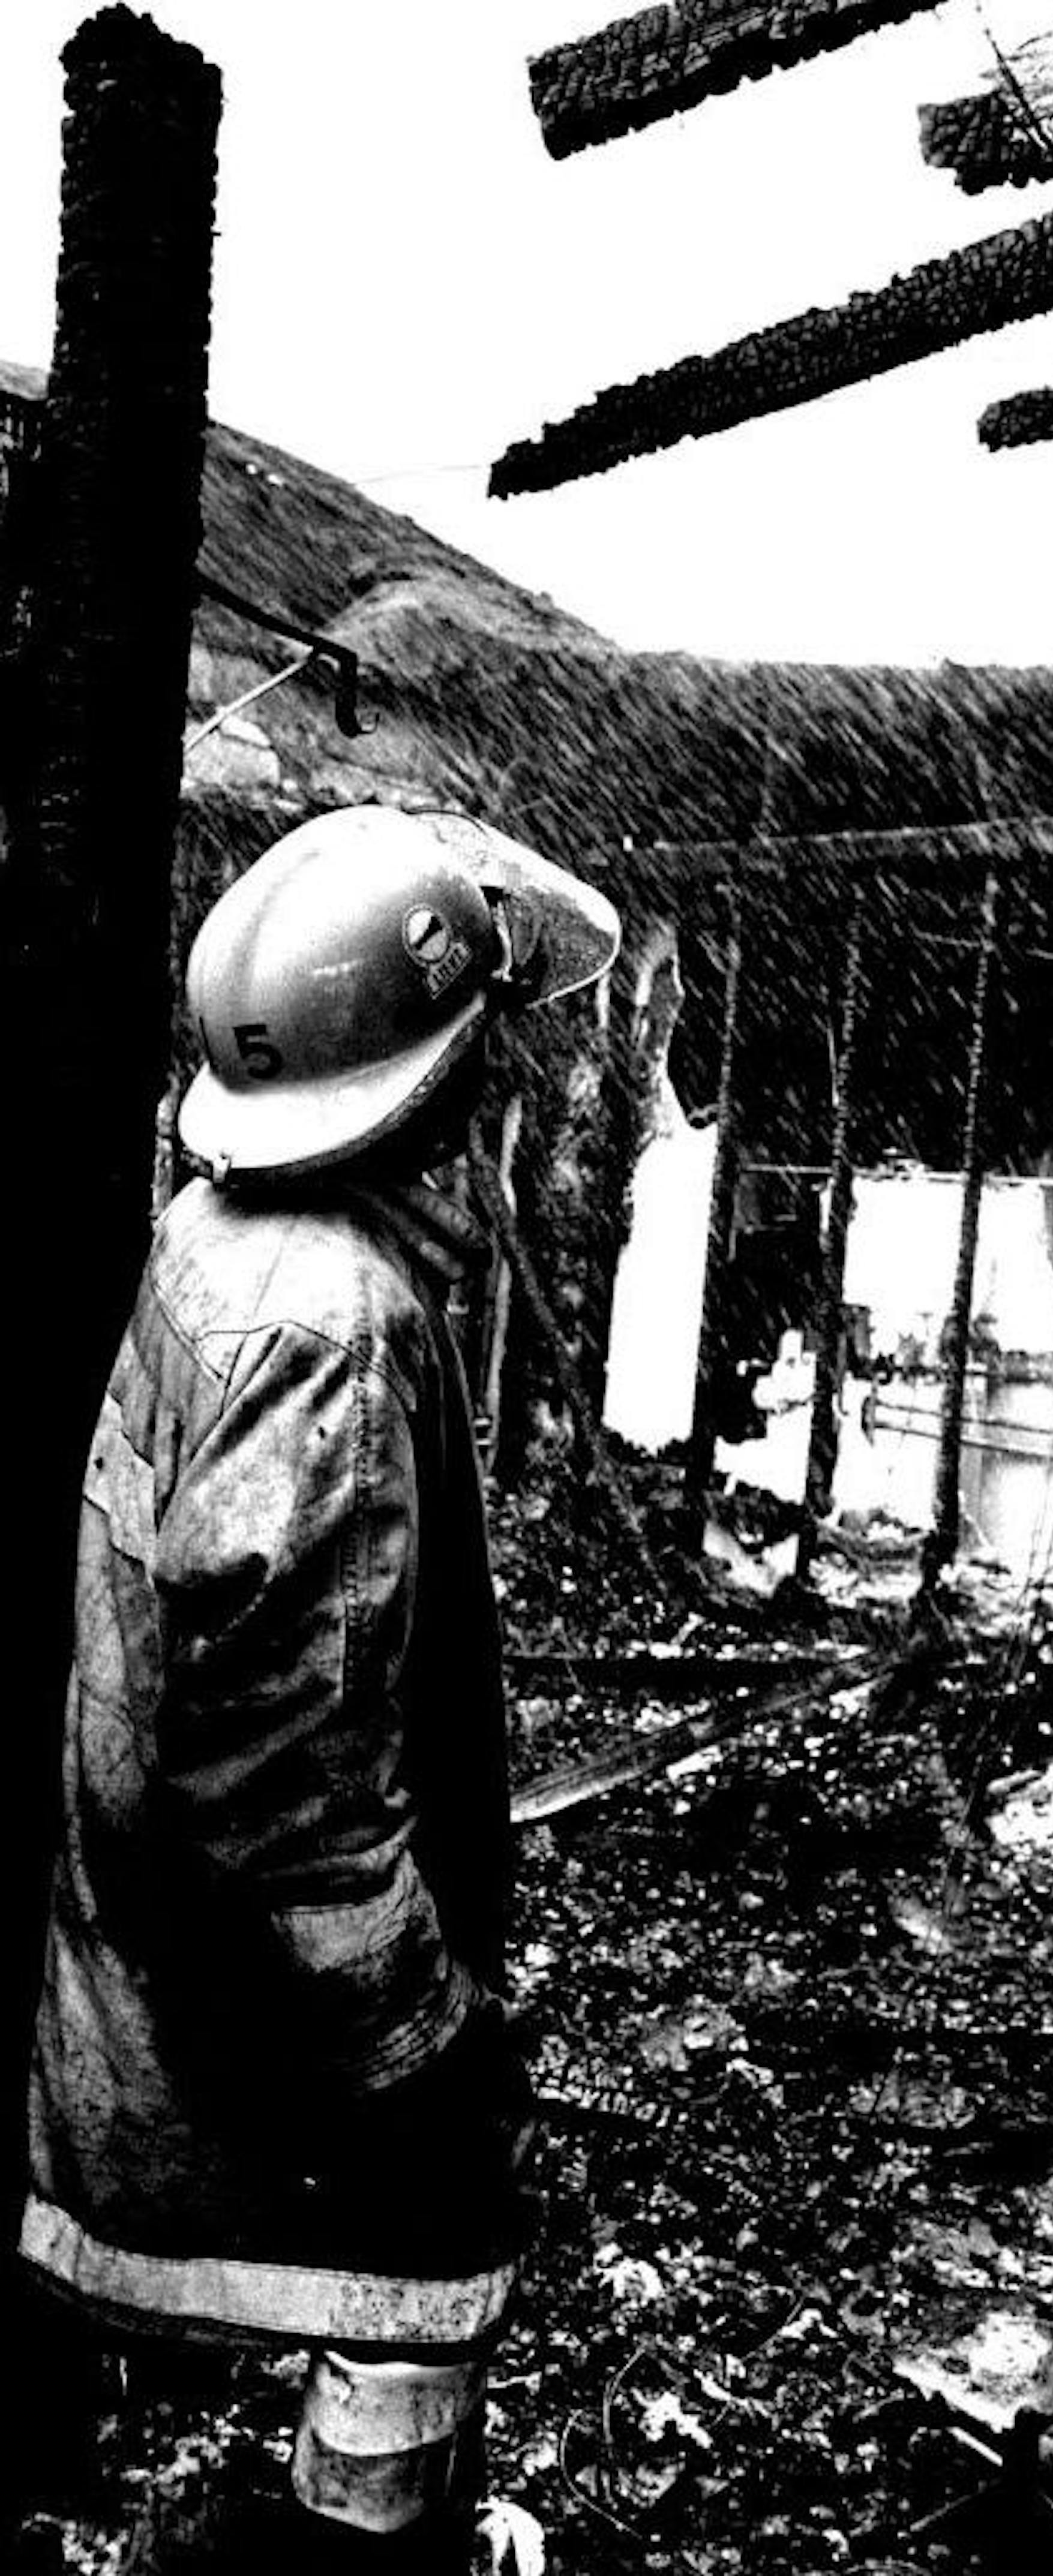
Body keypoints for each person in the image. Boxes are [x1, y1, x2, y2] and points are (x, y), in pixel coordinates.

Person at [19, 805, 620, 2571]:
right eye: (482, 1047)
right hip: (248, 2034)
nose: (503, 1076)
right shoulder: (329, 1325)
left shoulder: (223, 1236)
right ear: (428, 1080)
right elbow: (283, 1791)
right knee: (422, 2289)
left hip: (151, 1983)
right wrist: (430, 2042)